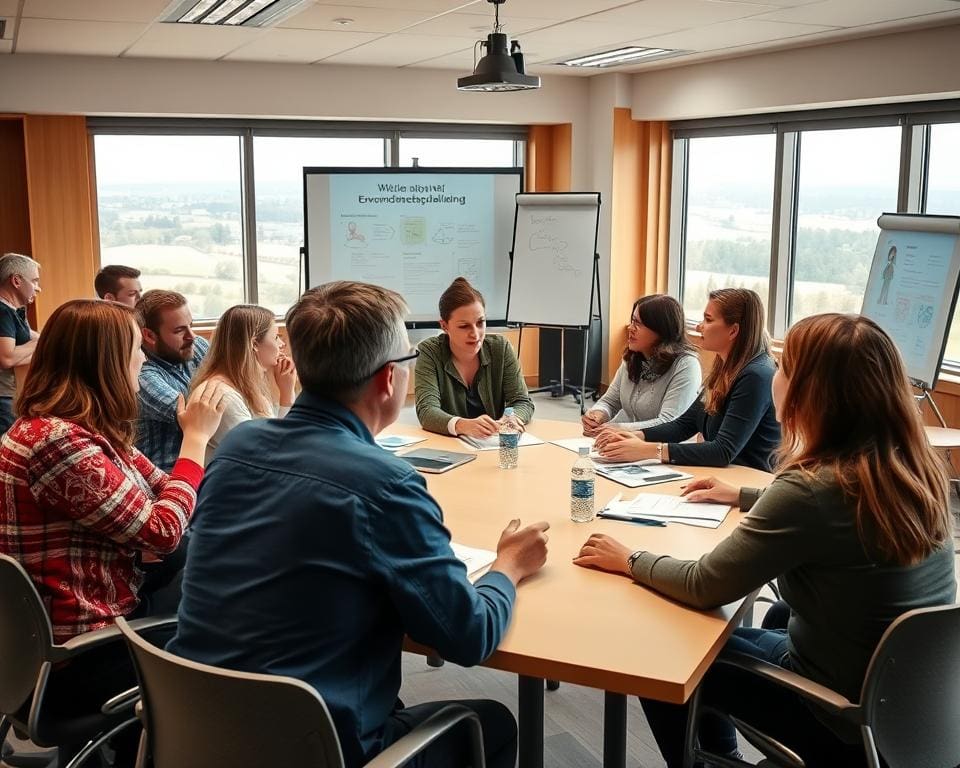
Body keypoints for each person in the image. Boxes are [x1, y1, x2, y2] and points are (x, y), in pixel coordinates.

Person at [169, 281, 549, 768]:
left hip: (196, 728)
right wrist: (509, 566)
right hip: (315, 746)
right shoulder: (386, 484)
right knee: (490, 723)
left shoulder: (239, 448)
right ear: (389, 379)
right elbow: (469, 636)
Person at [574, 312, 957, 768]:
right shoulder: (912, 469)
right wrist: (748, 494)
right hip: (911, 703)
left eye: (785, 368)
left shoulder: (811, 490)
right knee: (766, 616)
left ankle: (709, 761)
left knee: (665, 648)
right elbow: (837, 514)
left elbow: (704, 584)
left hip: (843, 719)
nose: (775, 376)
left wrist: (630, 558)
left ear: (811, 392)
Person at [0, 299, 225, 766]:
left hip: (41, 643)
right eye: (133, 351)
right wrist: (196, 441)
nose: (142, 361)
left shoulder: (70, 429)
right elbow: (162, 529)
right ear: (106, 363)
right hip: (76, 659)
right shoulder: (60, 444)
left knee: (189, 559)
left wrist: (185, 488)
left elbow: (163, 487)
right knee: (223, 635)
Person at [594, 288, 780, 472]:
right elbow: (685, 424)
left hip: (748, 480)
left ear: (733, 331)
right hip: (725, 475)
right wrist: (634, 436)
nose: (699, 326)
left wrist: (648, 450)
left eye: (708, 320)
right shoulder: (724, 366)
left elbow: (723, 451)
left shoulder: (756, 376)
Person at [415, 277, 534, 438]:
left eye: (480, 322)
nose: (475, 334)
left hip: (493, 446)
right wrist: (462, 425)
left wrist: (511, 419)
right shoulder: (429, 352)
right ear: (444, 326)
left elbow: (522, 401)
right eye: (464, 326)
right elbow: (427, 411)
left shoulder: (501, 347)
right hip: (450, 447)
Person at [190, 304, 297, 464]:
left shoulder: (247, 385)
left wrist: (287, 393)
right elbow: (269, 455)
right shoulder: (223, 396)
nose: (281, 344)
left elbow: (277, 439)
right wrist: (287, 398)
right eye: (275, 337)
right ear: (254, 344)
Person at [581, 294, 701, 437]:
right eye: (632, 321)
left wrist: (618, 428)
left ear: (660, 329)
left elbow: (669, 422)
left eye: (638, 324)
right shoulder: (633, 357)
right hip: (626, 442)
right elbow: (610, 401)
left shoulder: (686, 365)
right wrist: (598, 415)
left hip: (664, 450)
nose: (631, 328)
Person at [135, 289, 210, 472]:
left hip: (207, 462)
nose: (191, 336)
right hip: (168, 475)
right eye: (179, 330)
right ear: (149, 336)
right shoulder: (142, 375)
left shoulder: (196, 345)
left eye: (190, 325)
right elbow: (199, 418)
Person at [0, 253, 41, 433]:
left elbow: (35, 339)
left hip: (11, 394)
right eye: (35, 281)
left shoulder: (13, 310)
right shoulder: (2, 311)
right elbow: (6, 358)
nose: (38, 289)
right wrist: (46, 341)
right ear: (16, 281)